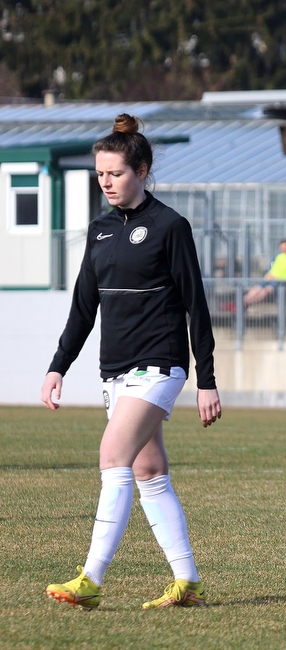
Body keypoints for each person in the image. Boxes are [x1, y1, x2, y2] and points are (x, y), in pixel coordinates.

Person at [41, 114, 221, 610]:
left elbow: (196, 305)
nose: (107, 183)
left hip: (159, 364)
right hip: (114, 369)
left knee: (112, 457)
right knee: (149, 473)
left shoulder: (170, 226)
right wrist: (58, 366)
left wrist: (207, 379)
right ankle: (189, 582)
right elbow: (83, 308)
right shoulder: (98, 232)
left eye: (115, 174)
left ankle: (91, 579)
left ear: (141, 170)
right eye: (100, 175)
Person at [243, 238, 286, 308]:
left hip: (281, 281)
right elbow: (273, 269)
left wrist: (277, 277)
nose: (283, 249)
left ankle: (247, 303)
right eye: (281, 248)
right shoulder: (280, 256)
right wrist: (269, 275)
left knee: (265, 290)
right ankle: (244, 301)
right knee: (257, 288)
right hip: (272, 278)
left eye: (284, 247)